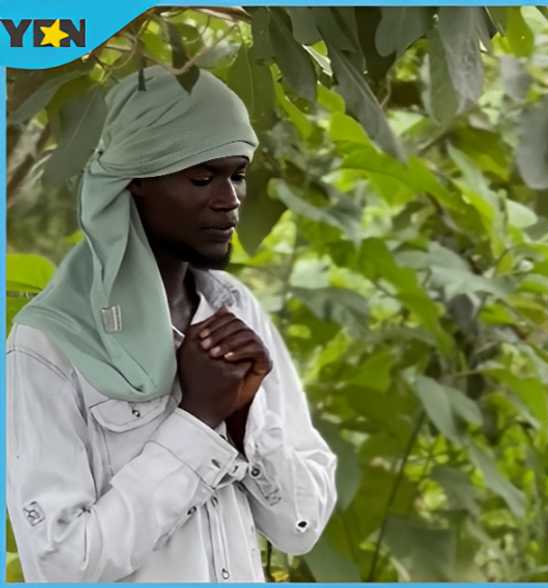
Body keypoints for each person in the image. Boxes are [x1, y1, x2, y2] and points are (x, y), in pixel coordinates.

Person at [6, 68, 338, 582]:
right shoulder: (49, 342)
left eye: (238, 174)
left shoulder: (235, 310)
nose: (230, 200)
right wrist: (198, 420)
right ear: (134, 181)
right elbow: (61, 567)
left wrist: (245, 413)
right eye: (203, 178)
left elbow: (301, 525)